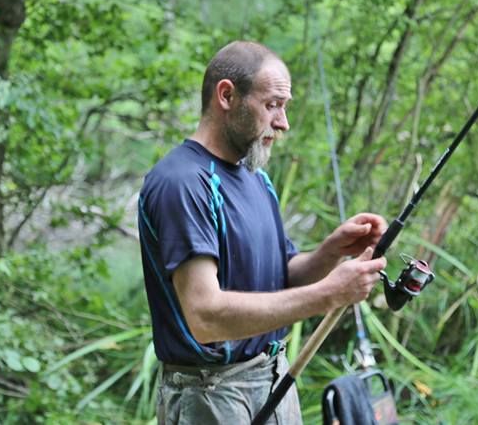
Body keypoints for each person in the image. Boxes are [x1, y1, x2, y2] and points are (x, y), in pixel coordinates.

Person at [138, 40, 387, 424]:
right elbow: (205, 317)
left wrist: (332, 251)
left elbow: (281, 276)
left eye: (284, 107)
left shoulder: (257, 179)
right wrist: (330, 294)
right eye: (272, 105)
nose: (283, 122)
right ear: (226, 96)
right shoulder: (183, 183)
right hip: (211, 394)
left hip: (273, 379)